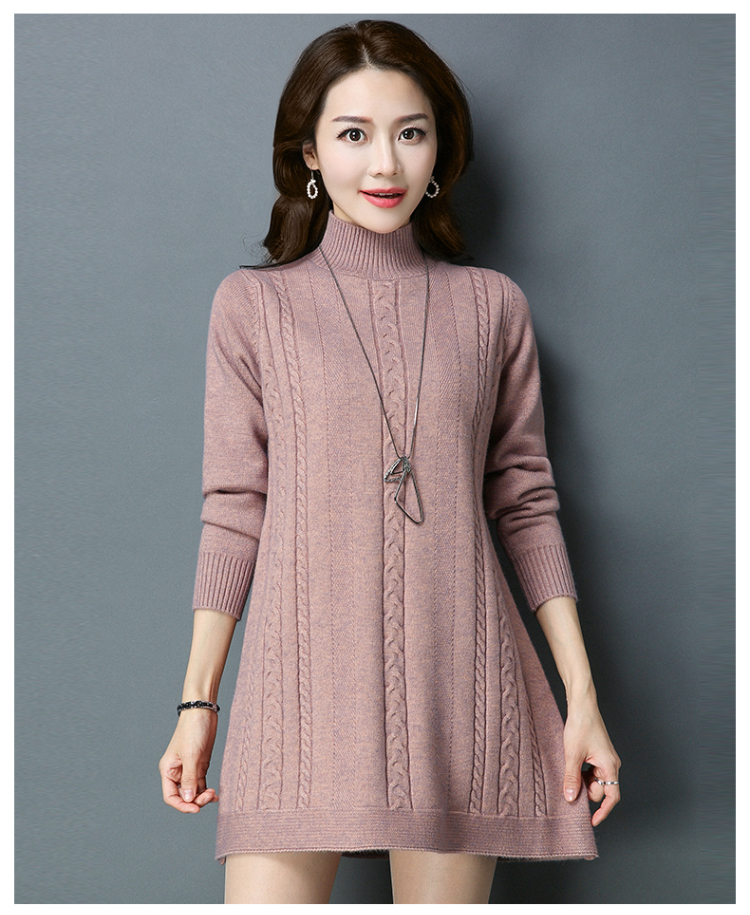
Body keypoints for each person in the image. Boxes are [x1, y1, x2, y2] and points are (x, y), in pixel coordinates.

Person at [158, 19, 621, 905]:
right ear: (309, 153)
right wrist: (196, 703)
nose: (385, 164)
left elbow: (525, 502)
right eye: (353, 134)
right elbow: (234, 507)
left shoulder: (491, 307)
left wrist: (583, 697)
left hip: (459, 686)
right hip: (296, 695)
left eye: (411, 133)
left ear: (440, 149)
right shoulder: (253, 306)